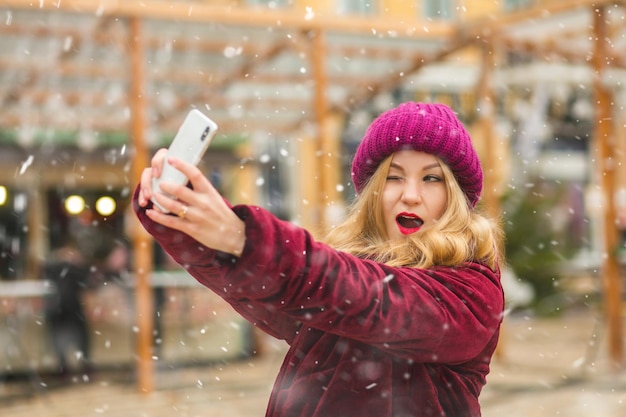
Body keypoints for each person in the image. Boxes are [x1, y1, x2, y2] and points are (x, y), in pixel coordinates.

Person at [134, 102, 504, 417]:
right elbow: (262, 291)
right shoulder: (333, 289)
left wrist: (241, 235)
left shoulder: (471, 288)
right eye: (393, 177)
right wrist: (184, 225)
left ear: (454, 195)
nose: (410, 195)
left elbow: (370, 299)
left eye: (432, 179)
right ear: (374, 191)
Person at [42, 242, 93, 379]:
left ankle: (73, 367)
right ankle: (69, 367)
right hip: (64, 307)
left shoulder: (60, 267)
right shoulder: (58, 266)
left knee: (77, 339)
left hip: (67, 307)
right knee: (67, 339)